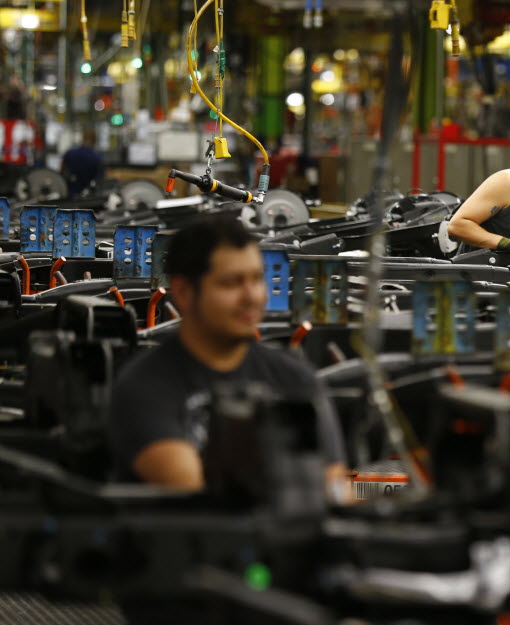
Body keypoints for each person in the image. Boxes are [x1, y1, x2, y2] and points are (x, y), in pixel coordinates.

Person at [107, 219, 342, 491]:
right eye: (232, 283)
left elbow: (333, 490)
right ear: (183, 292)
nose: (252, 296)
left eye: (257, 279)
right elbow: (193, 493)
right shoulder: (145, 387)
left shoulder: (295, 379)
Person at [61, 128, 104, 196]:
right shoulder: (97, 157)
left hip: (70, 193)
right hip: (89, 197)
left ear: (82, 138)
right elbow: (100, 179)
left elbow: (61, 172)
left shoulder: (70, 153)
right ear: (94, 140)